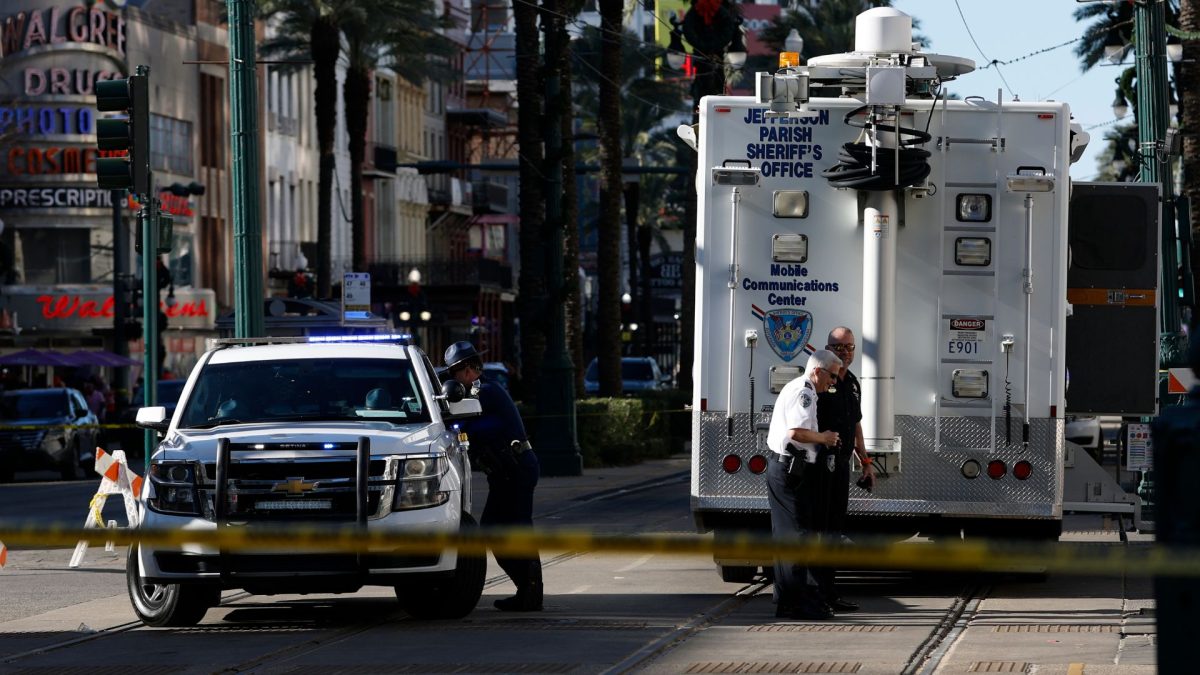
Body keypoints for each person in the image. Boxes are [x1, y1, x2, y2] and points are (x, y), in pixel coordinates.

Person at [444, 341, 543, 611]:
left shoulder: (483, 392)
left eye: (453, 374)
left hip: (516, 468)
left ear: (465, 370)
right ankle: (528, 591)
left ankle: (530, 593)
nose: (454, 380)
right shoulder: (480, 389)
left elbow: (459, 423)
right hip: (507, 470)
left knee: (513, 530)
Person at [766, 349, 843, 620]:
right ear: (818, 371)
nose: (833, 382)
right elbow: (796, 432)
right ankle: (798, 604)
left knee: (787, 536)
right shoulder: (806, 391)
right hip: (790, 469)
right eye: (832, 376)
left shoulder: (799, 386)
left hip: (783, 468)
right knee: (798, 535)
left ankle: (787, 600)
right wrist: (825, 438)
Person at [814, 326, 876, 612]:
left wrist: (865, 462)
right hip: (818, 466)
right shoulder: (820, 382)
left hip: (839, 466)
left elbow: (855, 424)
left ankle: (829, 593)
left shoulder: (851, 382)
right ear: (827, 349)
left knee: (834, 531)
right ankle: (816, 593)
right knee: (819, 529)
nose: (845, 352)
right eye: (838, 348)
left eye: (849, 347)